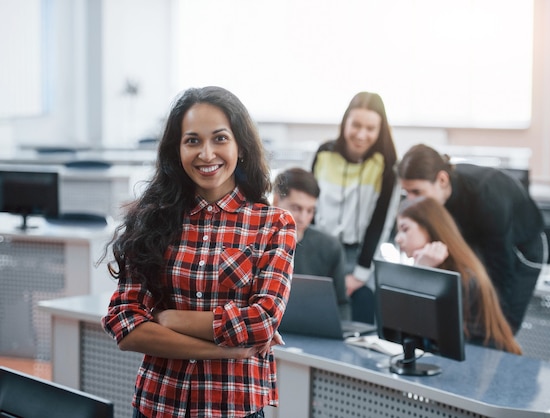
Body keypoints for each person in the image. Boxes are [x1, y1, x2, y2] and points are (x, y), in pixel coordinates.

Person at [100, 86, 297, 418]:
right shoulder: (153, 221)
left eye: (219, 138)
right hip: (158, 404)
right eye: (192, 141)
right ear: (177, 150)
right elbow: (125, 324)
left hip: (234, 408)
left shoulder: (273, 224)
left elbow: (261, 321)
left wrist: (168, 318)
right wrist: (229, 352)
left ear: (241, 147)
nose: (206, 154)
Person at [396, 143, 546, 334]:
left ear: (442, 179)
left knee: (501, 321)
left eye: (416, 192)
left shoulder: (485, 193)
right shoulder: (437, 199)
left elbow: (500, 265)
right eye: (405, 192)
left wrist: (495, 320)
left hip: (520, 246)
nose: (410, 200)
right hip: (477, 239)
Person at [311, 91, 399, 324]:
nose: (361, 134)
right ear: (345, 122)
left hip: (359, 256)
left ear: (380, 130)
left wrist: (359, 274)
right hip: (319, 250)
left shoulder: (387, 167)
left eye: (370, 128)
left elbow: (381, 223)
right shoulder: (324, 154)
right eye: (356, 125)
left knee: (359, 317)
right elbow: (308, 209)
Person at [394, 196, 522, 354]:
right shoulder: (435, 270)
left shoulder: (460, 278)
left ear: (430, 228)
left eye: (405, 229)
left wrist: (422, 273)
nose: (398, 238)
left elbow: (415, 329)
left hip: (475, 362)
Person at [272, 167, 349, 319]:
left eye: (310, 210)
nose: (303, 218)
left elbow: (341, 305)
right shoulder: (254, 242)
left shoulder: (330, 247)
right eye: (296, 208)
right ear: (276, 201)